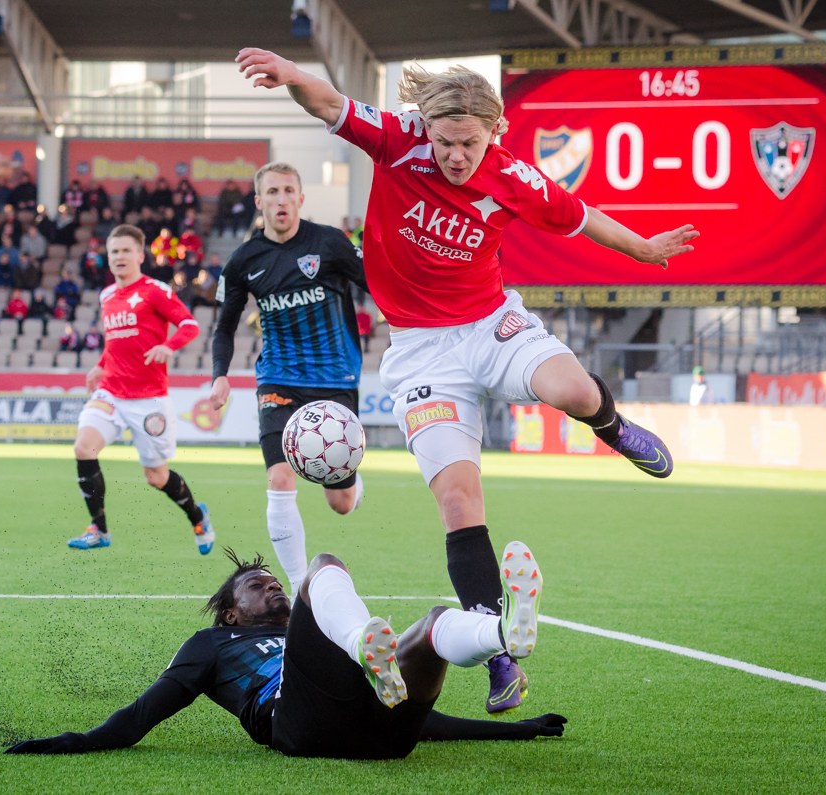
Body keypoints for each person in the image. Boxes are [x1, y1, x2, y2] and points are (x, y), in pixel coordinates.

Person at [236, 48, 699, 713]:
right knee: (458, 501)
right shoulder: (398, 142)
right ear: (428, 130)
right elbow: (327, 101)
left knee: (572, 390)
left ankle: (614, 427)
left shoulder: (517, 179)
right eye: (446, 142)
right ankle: (499, 655)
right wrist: (289, 72)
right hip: (423, 356)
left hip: (490, 325)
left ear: (494, 134)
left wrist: (646, 248)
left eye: (470, 144)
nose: (456, 156)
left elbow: (583, 217)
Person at [5, 543, 563, 759]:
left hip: (387, 736)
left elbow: (429, 721)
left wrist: (524, 728)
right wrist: (73, 743)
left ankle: (501, 637)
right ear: (231, 612)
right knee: (322, 566)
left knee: (438, 622)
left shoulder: (314, 628)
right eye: (256, 584)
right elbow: (142, 714)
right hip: (298, 724)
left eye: (273, 580)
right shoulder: (213, 644)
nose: (271, 585)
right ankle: (367, 648)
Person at [208, 162, 371, 592]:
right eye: (272, 193)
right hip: (278, 379)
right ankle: (302, 591)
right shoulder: (244, 260)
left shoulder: (331, 242)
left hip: (335, 378)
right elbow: (225, 326)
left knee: (339, 503)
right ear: (259, 203)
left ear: (301, 198)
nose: (281, 200)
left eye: (288, 191)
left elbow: (377, 284)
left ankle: (353, 484)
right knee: (280, 477)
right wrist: (219, 376)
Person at [66, 224, 211, 553]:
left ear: (140, 255)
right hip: (111, 393)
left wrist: (169, 347)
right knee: (83, 447)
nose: (119, 257)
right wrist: (101, 365)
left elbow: (189, 324)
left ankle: (197, 516)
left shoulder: (155, 290)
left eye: (125, 251)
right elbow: (114, 341)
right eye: (114, 251)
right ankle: (99, 529)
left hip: (149, 400)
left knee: (156, 477)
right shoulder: (106, 296)